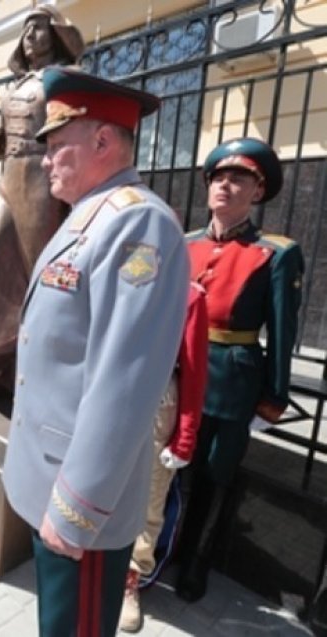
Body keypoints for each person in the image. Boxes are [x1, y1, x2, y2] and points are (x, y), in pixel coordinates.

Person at [1, 67, 190, 637]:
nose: (46, 158)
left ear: (103, 142)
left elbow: (123, 383)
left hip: (80, 504)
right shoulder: (86, 217)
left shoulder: (137, 224)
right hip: (49, 481)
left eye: (59, 145)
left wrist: (76, 508)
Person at [175, 138, 304, 603]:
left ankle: (196, 562)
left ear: (257, 190)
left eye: (239, 178)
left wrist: (274, 394)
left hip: (232, 383)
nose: (225, 186)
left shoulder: (276, 253)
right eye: (218, 178)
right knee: (171, 468)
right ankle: (165, 544)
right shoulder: (185, 243)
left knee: (217, 473)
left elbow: (284, 331)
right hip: (178, 376)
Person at [0, 4, 82, 396]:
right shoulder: (16, 84)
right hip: (8, 178)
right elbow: (6, 137)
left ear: (57, 35)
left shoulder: (64, 78)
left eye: (39, 28)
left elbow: (71, 130)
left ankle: (38, 373)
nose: (31, 36)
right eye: (27, 29)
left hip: (40, 179)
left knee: (39, 275)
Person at [118, 282, 209, 632]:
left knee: (150, 500)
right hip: (116, 388)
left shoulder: (188, 295)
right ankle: (98, 566)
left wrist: (185, 436)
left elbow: (194, 371)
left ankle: (131, 579)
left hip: (159, 397)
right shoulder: (120, 277)